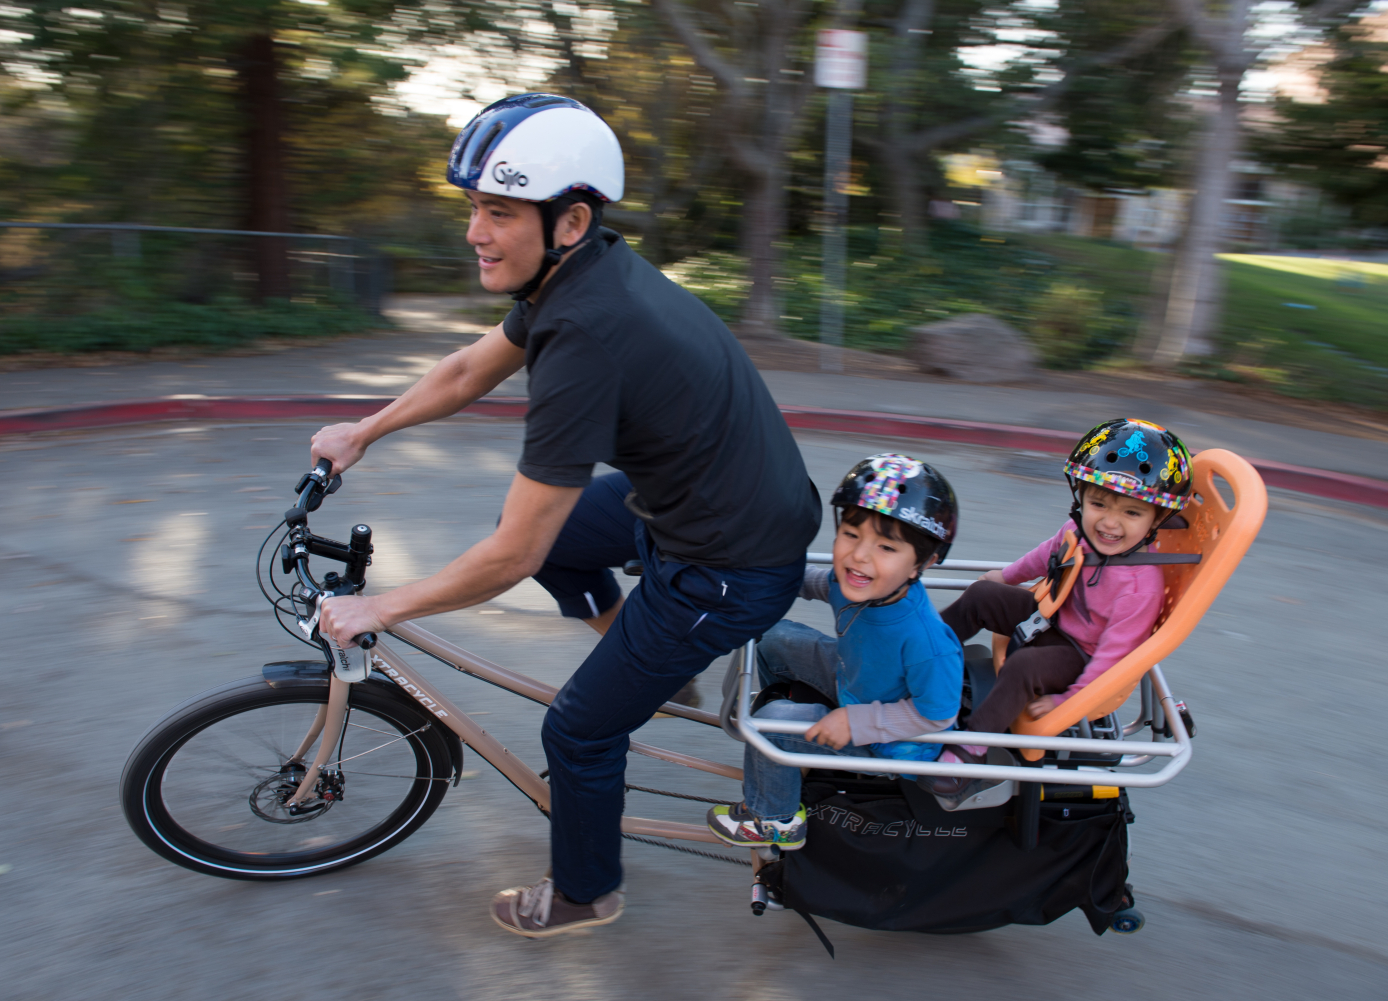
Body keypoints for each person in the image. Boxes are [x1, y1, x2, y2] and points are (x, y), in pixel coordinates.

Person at [310, 94, 820, 937]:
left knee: (578, 730)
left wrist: (380, 606)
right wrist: (366, 430)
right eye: (474, 207)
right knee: (568, 535)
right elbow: (470, 368)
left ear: (571, 218)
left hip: (727, 564)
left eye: (499, 212)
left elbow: (512, 553)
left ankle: (586, 892)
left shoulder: (586, 333)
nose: (475, 231)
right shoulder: (575, 274)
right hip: (697, 506)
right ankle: (656, 666)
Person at [707, 454, 964, 850]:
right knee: (775, 638)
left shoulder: (926, 641)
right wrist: (763, 575)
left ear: (922, 564)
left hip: (892, 742)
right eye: (851, 533)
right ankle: (791, 738)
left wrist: (858, 722)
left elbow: (937, 714)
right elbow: (814, 583)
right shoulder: (858, 580)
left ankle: (774, 817)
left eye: (886, 546)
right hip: (855, 681)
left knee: (775, 723)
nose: (859, 555)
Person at [926, 418, 1193, 797]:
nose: (1110, 522)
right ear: (1080, 498)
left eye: (1132, 513)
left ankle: (969, 749)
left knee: (1023, 667)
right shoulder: (1078, 532)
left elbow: (1114, 656)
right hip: (1051, 617)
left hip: (1083, 657)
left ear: (1157, 519)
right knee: (982, 594)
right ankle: (920, 653)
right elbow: (1048, 553)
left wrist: (1071, 700)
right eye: (1098, 504)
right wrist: (1007, 577)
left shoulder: (1140, 587)